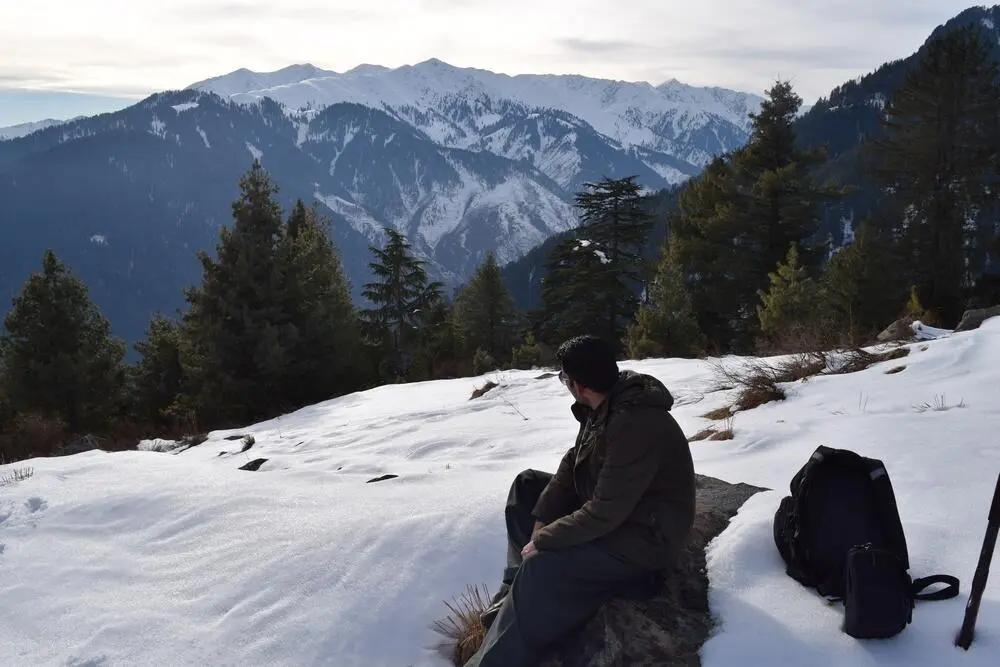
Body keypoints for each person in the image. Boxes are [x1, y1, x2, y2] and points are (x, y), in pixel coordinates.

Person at [463, 335, 696, 667]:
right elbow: (574, 463)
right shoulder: (605, 403)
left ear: (578, 384)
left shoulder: (635, 424)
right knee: (527, 487)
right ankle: (512, 595)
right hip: (622, 514)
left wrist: (544, 540)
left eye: (564, 378)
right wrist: (542, 518)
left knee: (541, 566)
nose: (565, 384)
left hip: (644, 538)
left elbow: (605, 512)